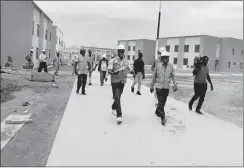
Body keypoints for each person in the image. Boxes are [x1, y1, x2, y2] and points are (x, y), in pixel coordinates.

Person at [108, 44, 133, 124]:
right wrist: (112, 73)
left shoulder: (126, 61)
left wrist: (132, 71)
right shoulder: (113, 60)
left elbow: (129, 69)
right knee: (117, 97)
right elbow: (109, 70)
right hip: (115, 81)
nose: (122, 53)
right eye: (120, 51)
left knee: (118, 97)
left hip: (122, 80)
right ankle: (119, 115)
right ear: (118, 52)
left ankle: (113, 107)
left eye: (123, 52)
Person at [150, 51, 178, 125]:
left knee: (163, 102)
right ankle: (163, 117)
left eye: (166, 58)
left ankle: (157, 111)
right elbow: (154, 76)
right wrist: (151, 86)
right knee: (160, 102)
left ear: (168, 58)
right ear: (161, 58)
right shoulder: (158, 65)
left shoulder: (171, 66)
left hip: (166, 87)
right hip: (159, 87)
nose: (165, 59)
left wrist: (175, 84)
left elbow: (174, 75)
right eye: (164, 58)